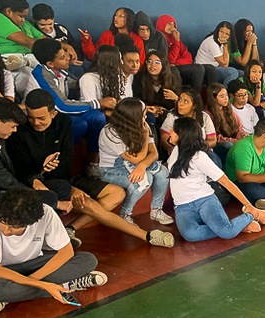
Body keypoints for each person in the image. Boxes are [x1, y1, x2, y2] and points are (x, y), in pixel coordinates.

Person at [10, 89, 174, 248]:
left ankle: (70, 229)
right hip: (38, 183)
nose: (36, 122)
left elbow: (66, 160)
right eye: (31, 118)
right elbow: (22, 171)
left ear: (53, 113)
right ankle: (147, 236)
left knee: (117, 193)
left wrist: (70, 186)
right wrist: (45, 172)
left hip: (63, 178)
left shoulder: (64, 122)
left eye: (41, 118)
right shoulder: (19, 130)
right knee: (87, 202)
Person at [0, 189, 108, 315]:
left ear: (32, 222)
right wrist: (42, 285)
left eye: (15, 227)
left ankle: (7, 297)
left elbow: (66, 252)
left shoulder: (46, 213)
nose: (6, 231)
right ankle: (65, 286)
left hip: (33, 265)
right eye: (3, 223)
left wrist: (35, 281)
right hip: (2, 271)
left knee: (87, 260)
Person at [167, 116, 265, 242]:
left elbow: (225, 181)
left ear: (182, 135)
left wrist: (248, 205)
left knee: (227, 232)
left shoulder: (199, 157)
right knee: (190, 235)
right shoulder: (175, 151)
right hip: (183, 206)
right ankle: (237, 227)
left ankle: (251, 215)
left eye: (173, 130)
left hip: (204, 201)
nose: (170, 132)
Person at [30, 39, 115, 171]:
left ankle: (93, 163)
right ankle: (59, 161)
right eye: (62, 57)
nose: (67, 58)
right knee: (78, 124)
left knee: (96, 117)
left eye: (65, 54)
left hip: (60, 112)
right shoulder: (42, 75)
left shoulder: (60, 71)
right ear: (50, 63)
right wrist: (99, 102)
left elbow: (75, 83)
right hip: (47, 116)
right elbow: (62, 106)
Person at [98, 98, 173, 226]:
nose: (146, 116)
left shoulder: (143, 125)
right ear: (133, 117)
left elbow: (154, 153)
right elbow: (136, 158)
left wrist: (142, 165)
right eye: (143, 114)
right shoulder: (110, 132)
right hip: (112, 170)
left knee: (163, 172)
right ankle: (124, 214)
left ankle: (156, 209)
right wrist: (144, 138)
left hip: (136, 163)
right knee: (143, 180)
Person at [155, 14, 216, 92]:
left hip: (178, 66)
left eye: (174, 24)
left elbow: (188, 57)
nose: (172, 27)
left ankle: (213, 97)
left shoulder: (175, 38)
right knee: (198, 68)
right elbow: (170, 61)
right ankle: (193, 99)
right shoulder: (160, 39)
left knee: (210, 68)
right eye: (169, 23)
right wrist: (176, 43)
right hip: (169, 69)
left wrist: (177, 62)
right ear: (162, 24)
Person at [160, 87, 217, 160]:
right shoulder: (172, 116)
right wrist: (171, 149)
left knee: (213, 158)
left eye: (186, 101)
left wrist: (199, 148)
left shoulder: (205, 117)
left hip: (201, 151)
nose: (180, 104)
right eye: (180, 100)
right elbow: (164, 137)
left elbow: (212, 140)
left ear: (194, 106)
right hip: (179, 152)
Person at [80, 7, 145, 63]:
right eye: (115, 15)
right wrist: (87, 41)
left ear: (129, 19)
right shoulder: (107, 35)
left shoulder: (137, 40)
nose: (116, 18)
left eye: (121, 16)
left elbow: (140, 62)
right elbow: (95, 55)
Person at [133, 49, 180, 125]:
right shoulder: (139, 78)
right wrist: (148, 109)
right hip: (147, 112)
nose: (152, 65)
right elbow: (136, 100)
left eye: (157, 62)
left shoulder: (172, 79)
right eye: (149, 61)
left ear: (163, 65)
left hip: (168, 113)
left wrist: (176, 98)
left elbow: (182, 103)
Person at [205, 82, 245, 165]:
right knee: (228, 145)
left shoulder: (228, 110)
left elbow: (238, 127)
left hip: (233, 140)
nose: (226, 98)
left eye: (226, 95)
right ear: (214, 98)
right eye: (222, 96)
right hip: (218, 144)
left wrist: (241, 135)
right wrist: (233, 140)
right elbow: (214, 137)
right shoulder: (207, 114)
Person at [195, 21, 239, 87]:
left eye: (227, 34)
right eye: (221, 32)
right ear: (217, 31)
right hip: (204, 70)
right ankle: (223, 95)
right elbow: (225, 64)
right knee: (232, 72)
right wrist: (225, 45)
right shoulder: (212, 42)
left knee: (242, 73)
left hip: (215, 68)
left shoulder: (222, 42)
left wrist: (225, 45)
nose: (223, 35)